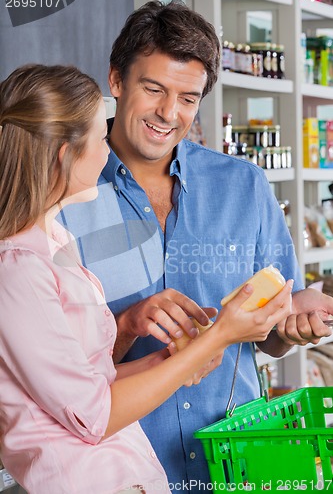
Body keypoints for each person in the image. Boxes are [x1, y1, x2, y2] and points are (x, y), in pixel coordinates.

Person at [58, 0, 333, 492]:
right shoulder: (61, 192)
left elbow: (265, 335)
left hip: (240, 465)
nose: (169, 113)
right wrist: (123, 327)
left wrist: (289, 327)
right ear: (116, 82)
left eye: (188, 98)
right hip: (118, 474)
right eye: (154, 89)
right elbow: (45, 371)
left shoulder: (244, 186)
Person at [0, 64, 298, 494]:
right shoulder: (18, 268)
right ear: (65, 153)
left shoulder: (53, 241)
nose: (107, 152)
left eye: (188, 98)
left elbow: (90, 380)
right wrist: (217, 339)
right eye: (100, 138)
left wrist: (181, 357)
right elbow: (92, 415)